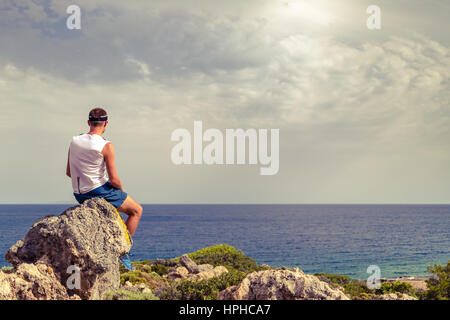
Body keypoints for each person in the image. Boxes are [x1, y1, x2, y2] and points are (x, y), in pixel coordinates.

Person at [66, 107, 142, 270]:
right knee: (136, 211)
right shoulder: (106, 145)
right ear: (106, 123)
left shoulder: (74, 141)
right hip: (98, 190)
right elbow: (114, 179)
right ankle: (124, 251)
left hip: (79, 194)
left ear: (88, 123)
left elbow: (68, 172)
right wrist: (120, 192)